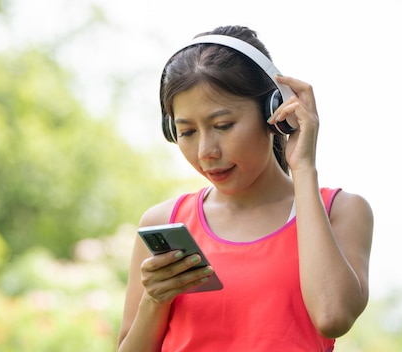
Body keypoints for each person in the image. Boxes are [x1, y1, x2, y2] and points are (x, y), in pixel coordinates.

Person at [117, 25, 373, 352]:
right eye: (187, 132)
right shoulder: (164, 222)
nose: (206, 150)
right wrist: (155, 300)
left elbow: (332, 316)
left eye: (223, 125)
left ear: (274, 112)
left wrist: (304, 167)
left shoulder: (340, 211)